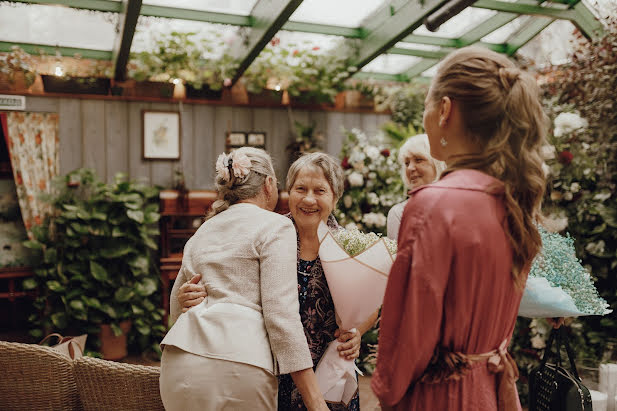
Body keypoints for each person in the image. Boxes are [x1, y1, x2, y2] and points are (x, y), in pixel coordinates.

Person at [371, 46, 548, 410]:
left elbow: (409, 336)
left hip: (437, 398)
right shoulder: (513, 202)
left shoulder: (433, 204)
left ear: (445, 110)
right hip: (489, 392)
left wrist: (384, 388)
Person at [176, 152, 378, 411]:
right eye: (300, 189)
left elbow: (371, 302)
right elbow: (227, 281)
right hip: (274, 368)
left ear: (335, 197)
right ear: (288, 192)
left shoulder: (349, 244)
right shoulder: (269, 233)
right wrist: (189, 295)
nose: (308, 199)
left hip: (331, 372)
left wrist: (357, 332)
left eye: (320, 191)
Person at [160, 147, 328, 411]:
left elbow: (175, 309)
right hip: (240, 364)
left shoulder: (203, 231)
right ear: (269, 185)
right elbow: (280, 316)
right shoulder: (275, 226)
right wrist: (316, 402)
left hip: (179, 365)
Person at [386, 134, 446, 240]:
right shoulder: (399, 213)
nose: (410, 168)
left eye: (418, 160)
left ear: (437, 163)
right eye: (407, 163)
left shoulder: (456, 204)